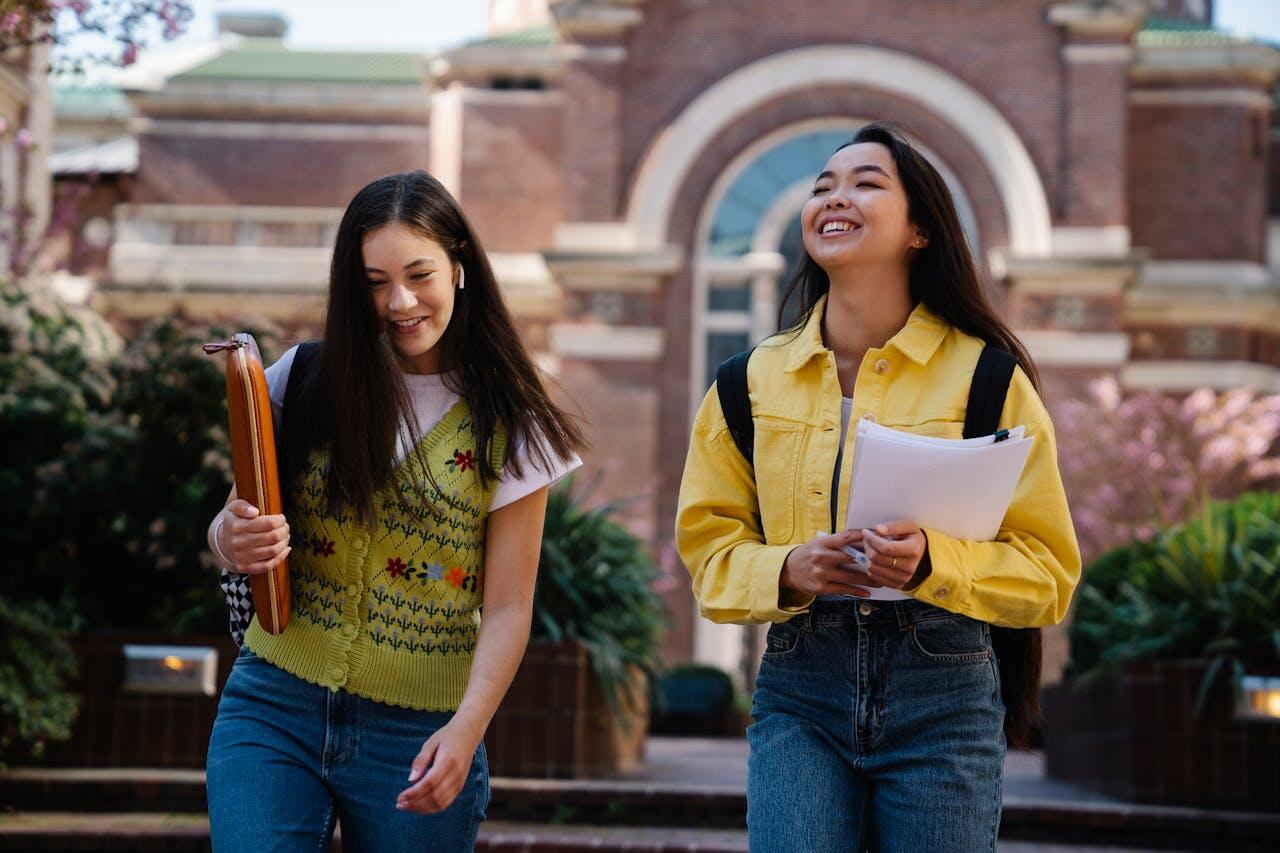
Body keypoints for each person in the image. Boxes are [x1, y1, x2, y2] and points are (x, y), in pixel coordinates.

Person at [675, 123, 1082, 852]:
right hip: (801, 685)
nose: (835, 196)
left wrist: (934, 560)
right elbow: (710, 555)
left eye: (866, 182)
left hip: (946, 694)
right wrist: (787, 568)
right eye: (822, 185)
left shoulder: (988, 378)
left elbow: (1048, 573)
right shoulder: (745, 384)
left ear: (920, 227)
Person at [204, 170, 585, 851]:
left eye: (419, 274)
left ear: (460, 264)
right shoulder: (305, 377)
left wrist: (466, 728)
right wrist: (231, 536)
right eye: (375, 281)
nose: (399, 301)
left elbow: (507, 606)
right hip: (273, 702)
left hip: (420, 729)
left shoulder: (510, 421)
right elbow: (236, 515)